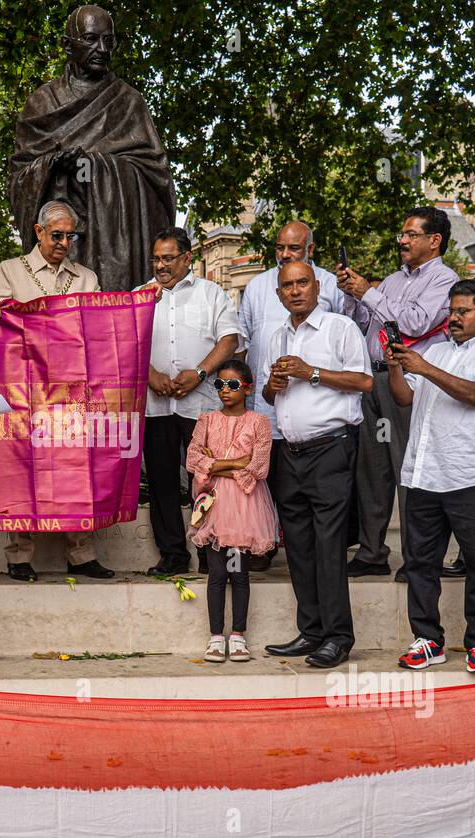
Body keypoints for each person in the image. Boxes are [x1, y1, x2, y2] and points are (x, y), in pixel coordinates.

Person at [386, 280, 475, 674]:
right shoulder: (434, 350)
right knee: (420, 564)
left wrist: (424, 367)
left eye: (464, 311)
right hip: (424, 472)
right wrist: (397, 366)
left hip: (471, 475)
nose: (455, 318)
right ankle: (428, 640)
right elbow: (403, 398)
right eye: (452, 311)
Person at [0, 200, 113, 582]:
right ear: (38, 233)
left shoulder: (85, 277)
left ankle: (81, 554)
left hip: (71, 392)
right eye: (58, 235)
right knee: (21, 468)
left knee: (76, 467)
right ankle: (19, 555)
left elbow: (98, 328)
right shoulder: (10, 271)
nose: (65, 242)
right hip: (23, 393)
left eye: (71, 236)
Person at [7, 4, 176, 293]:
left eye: (108, 41)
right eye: (90, 39)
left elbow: (156, 175)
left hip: (115, 238)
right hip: (62, 244)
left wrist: (99, 167)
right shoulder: (42, 103)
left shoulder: (128, 101)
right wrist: (51, 166)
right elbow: (18, 178)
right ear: (67, 45)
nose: (101, 48)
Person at [337, 206, 458, 581]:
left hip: (408, 381)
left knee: (408, 468)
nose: (402, 241)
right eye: (401, 235)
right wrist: (353, 296)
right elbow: (363, 323)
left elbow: (416, 321)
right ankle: (372, 552)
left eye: (410, 234)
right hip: (373, 380)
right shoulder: (390, 281)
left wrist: (369, 294)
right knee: (371, 472)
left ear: (434, 240)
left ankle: (418, 557)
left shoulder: (445, 280)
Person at [261, 261, 372, 668]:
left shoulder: (340, 328)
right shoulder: (276, 335)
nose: (295, 291)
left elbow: (364, 382)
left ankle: (338, 637)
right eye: (287, 285)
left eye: (302, 282)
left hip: (331, 449)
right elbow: (271, 395)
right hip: (290, 452)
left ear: (317, 286)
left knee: (328, 547)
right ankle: (310, 632)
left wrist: (311, 373)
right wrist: (271, 387)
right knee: (299, 548)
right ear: (278, 294)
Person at [238, 219, 350, 570]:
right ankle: (265, 543)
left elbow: (348, 345)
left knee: (309, 490)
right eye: (279, 248)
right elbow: (243, 340)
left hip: (320, 411)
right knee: (266, 477)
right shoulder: (257, 286)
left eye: (293, 249)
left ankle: (313, 553)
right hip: (267, 401)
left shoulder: (330, 284)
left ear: (311, 251)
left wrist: (311, 372)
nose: (284, 255)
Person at [140, 226, 241, 577]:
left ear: (187, 258)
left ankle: (209, 552)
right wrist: (150, 375)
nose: (160, 265)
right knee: (162, 481)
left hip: (199, 406)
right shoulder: (141, 296)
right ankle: (172, 555)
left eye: (168, 258)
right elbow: (123, 342)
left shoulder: (211, 294)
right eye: (156, 258)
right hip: (155, 406)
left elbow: (230, 340)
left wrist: (199, 373)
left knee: (207, 480)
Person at [185, 359, 277, 664]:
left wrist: (214, 466)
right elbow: (193, 460)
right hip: (214, 507)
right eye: (220, 384)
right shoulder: (206, 420)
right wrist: (236, 463)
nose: (226, 390)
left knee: (238, 573)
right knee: (216, 573)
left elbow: (258, 468)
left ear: (247, 388)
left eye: (233, 385)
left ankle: (238, 635)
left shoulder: (259, 422)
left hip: (245, 509)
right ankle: (215, 637)